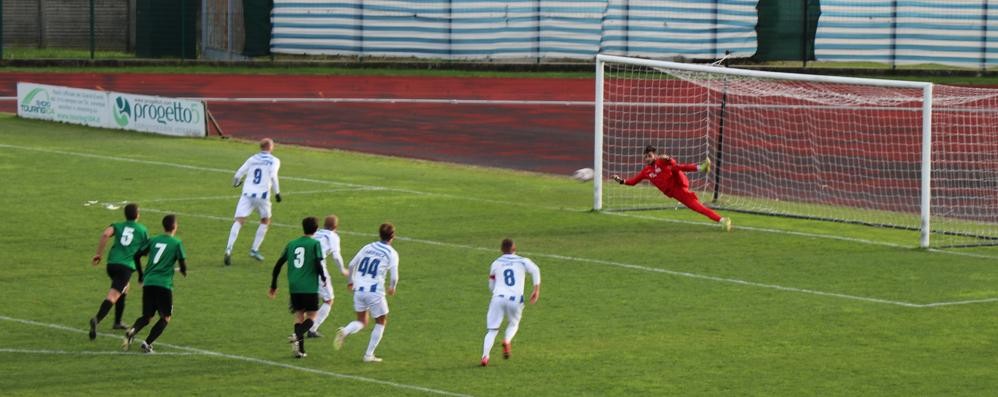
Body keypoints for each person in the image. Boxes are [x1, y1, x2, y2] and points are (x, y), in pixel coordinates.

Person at [612, 145, 732, 231]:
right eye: (645, 157)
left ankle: (701, 168)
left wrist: (668, 159)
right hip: (678, 192)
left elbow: (673, 162)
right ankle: (722, 220)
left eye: (649, 155)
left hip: (680, 180)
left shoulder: (661, 161)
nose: (647, 158)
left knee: (675, 167)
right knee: (698, 207)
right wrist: (621, 181)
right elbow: (633, 182)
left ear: (655, 156)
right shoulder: (646, 172)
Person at [333, 223, 399, 363]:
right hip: (375, 292)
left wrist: (350, 282)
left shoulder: (368, 247)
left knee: (362, 321)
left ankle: (345, 331)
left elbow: (351, 264)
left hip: (359, 289)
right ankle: (368, 355)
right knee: (381, 321)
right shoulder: (391, 253)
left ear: (379, 234)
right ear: (392, 236)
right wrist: (392, 287)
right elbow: (394, 276)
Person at [122, 214, 188, 354]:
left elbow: (137, 255)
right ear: (175, 226)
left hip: (149, 282)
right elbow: (183, 264)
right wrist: (182, 271)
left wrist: (140, 274)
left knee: (147, 316)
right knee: (165, 317)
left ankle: (132, 330)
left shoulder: (153, 240)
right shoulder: (176, 243)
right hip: (164, 285)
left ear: (163, 226)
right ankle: (147, 344)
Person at [268, 216, 327, 358]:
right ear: (316, 229)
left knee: (299, 315)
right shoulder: (315, 244)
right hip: (309, 286)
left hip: (294, 286)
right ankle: (297, 334)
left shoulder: (292, 244)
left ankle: (300, 350)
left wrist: (274, 285)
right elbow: (318, 264)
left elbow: (278, 264)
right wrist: (323, 278)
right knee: (312, 315)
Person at [89, 203, 149, 340]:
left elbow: (105, 234)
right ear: (138, 215)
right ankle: (96, 320)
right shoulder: (142, 230)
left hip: (111, 264)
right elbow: (146, 250)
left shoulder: (117, 225)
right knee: (113, 295)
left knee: (125, 288)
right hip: (125, 267)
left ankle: (117, 322)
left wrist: (98, 254)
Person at [480, 238, 541, 367]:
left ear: (501, 250)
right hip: (515, 300)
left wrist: (497, 293)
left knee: (492, 330)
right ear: (515, 249)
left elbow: (491, 286)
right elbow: (536, 270)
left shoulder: (495, 263)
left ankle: (485, 356)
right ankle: (507, 341)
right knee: (514, 324)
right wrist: (536, 290)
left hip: (498, 298)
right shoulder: (523, 261)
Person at [224, 137, 282, 266]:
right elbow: (273, 176)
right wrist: (277, 193)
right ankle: (254, 249)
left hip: (247, 194)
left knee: (239, 220)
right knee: (265, 220)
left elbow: (238, 174)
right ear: (271, 147)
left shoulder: (252, 159)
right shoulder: (274, 161)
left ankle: (228, 248)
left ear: (261, 147)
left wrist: (236, 183)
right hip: (262, 195)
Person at [307, 215, 349, 338]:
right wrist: (342, 270)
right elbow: (336, 256)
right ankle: (312, 329)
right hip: (317, 267)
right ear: (336, 227)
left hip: (304, 267)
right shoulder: (333, 236)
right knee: (328, 299)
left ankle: (303, 325)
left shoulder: (316, 233)